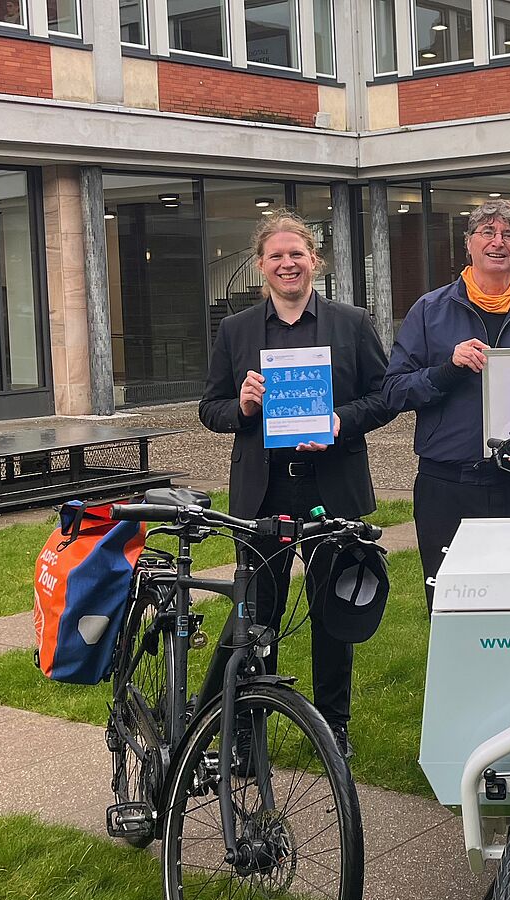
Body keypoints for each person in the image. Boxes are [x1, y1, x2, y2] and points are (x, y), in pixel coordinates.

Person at [198, 210, 392, 759]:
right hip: (265, 491)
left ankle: (333, 724)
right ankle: (247, 728)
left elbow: (384, 396)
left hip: (332, 488)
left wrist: (339, 422)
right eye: (277, 256)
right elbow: (209, 408)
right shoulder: (236, 330)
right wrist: (241, 406)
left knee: (333, 612)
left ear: (315, 261)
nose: (288, 264)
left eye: (297, 254)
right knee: (259, 615)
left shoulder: (351, 323)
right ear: (262, 265)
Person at [383, 199, 510, 612]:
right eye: (487, 232)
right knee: (452, 604)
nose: (498, 242)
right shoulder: (429, 311)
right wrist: (447, 369)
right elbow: (393, 391)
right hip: (448, 485)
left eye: (509, 235)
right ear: (468, 243)